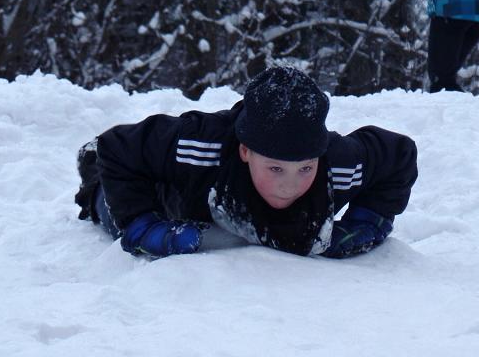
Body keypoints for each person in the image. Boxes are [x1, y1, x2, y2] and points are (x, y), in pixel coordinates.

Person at [73, 66, 418, 259]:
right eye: (276, 169)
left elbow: (398, 157)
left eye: (305, 169)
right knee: (109, 208)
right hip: (175, 191)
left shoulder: (337, 166)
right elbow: (117, 148)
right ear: (245, 152)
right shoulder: (199, 144)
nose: (290, 184)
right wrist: (141, 223)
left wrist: (368, 221)